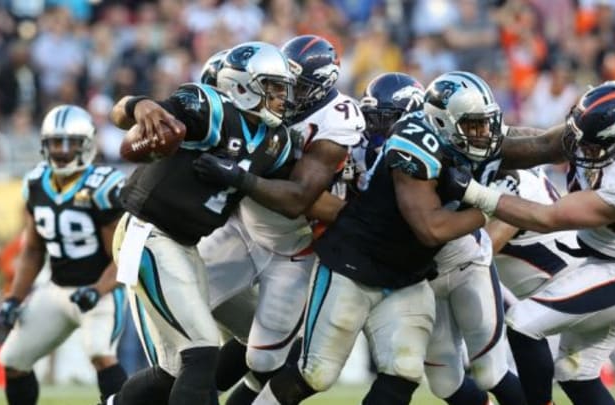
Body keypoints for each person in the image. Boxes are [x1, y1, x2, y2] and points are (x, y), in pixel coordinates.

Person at [209, 72, 489, 404]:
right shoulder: (349, 145)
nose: (375, 128)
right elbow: (311, 196)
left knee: (406, 369)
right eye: (371, 117)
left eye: (386, 119)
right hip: (347, 263)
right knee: (311, 370)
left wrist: (490, 202)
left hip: (409, 276)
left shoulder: (443, 154)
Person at [442, 80, 615, 404]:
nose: (581, 151)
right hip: (593, 261)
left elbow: (548, 217)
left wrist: (472, 191)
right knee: (575, 372)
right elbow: (546, 142)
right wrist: (488, 138)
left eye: (591, 147)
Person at [106, 41, 295, 405]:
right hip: (149, 234)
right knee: (201, 350)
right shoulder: (211, 108)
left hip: (188, 244)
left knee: (260, 338)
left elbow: (295, 191)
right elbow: (125, 116)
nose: (281, 97)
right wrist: (138, 104)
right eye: (272, 87)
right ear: (243, 85)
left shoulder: (275, 139)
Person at [197, 34, 365, 405]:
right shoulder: (262, 94)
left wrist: (238, 175)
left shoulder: (337, 117)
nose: (286, 95)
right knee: (185, 317)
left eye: (297, 87)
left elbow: (300, 198)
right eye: (281, 84)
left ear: (321, 87)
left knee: (263, 358)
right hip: (241, 228)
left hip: (295, 246)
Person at [489, 167, 615, 405]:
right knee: (574, 374)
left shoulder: (512, 185)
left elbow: (481, 249)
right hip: (558, 306)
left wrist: (469, 197)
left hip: (599, 287)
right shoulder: (505, 173)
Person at [0, 105, 128, 405]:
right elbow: (32, 250)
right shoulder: (35, 183)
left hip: (102, 290)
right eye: (56, 142)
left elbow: (121, 256)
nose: (63, 150)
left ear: (88, 144)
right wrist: (13, 298)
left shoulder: (102, 186)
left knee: (100, 352)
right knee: (14, 359)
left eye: (71, 142)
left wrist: (97, 291)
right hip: (57, 290)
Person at [420, 72, 526, 405]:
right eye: (473, 125)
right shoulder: (412, 155)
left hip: (467, 262)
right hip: (423, 275)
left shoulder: (482, 153)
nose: (483, 134)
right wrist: (489, 208)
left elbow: (526, 152)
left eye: (485, 123)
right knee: (443, 382)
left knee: (491, 371)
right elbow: (429, 227)